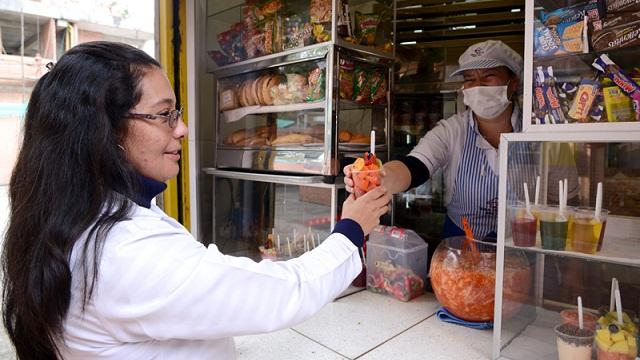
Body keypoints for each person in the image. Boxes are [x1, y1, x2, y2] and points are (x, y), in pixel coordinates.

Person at [2, 41, 391, 359]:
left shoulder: (74, 208)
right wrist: (352, 228)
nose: (183, 128)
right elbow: (286, 293)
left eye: (178, 112)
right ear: (104, 131)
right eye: (165, 115)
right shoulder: (128, 253)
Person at [346, 40, 526, 241]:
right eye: (469, 79)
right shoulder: (452, 130)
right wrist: (377, 177)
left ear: (514, 82)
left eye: (488, 77)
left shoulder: (536, 131)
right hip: (461, 239)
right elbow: (415, 166)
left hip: (523, 240)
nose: (477, 86)